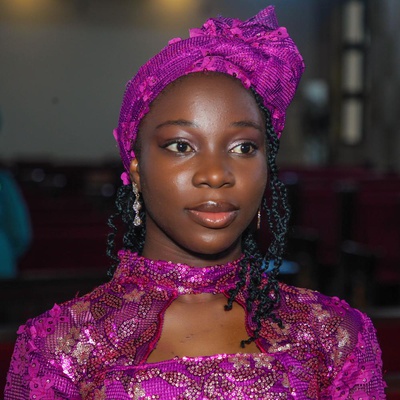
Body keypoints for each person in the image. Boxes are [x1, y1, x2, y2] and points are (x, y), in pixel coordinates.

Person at [4, 5, 386, 399]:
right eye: (181, 146)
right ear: (136, 169)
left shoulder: (333, 334)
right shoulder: (59, 347)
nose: (216, 174)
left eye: (243, 147)